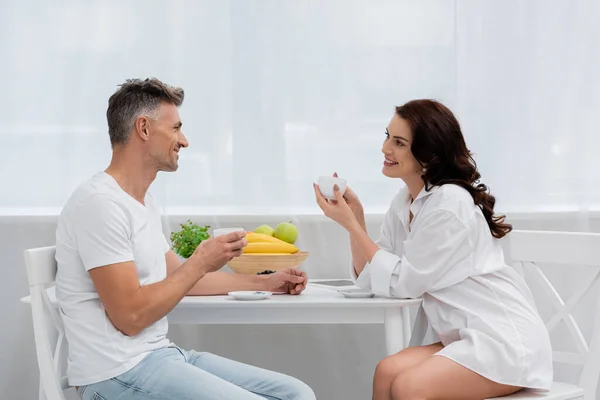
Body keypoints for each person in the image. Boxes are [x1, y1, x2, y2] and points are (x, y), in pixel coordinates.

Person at [55, 78, 316, 400]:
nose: (185, 141)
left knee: (296, 393)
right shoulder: (99, 205)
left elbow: (180, 279)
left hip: (159, 356)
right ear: (144, 129)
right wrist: (200, 261)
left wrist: (267, 283)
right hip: (115, 373)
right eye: (176, 128)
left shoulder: (141, 202)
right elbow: (130, 318)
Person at [313, 99, 552, 400]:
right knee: (387, 372)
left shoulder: (449, 204)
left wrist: (354, 227)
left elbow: (405, 284)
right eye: (387, 136)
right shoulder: (404, 202)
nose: (386, 149)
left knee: (408, 387)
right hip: (464, 336)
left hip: (503, 340)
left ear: (428, 154)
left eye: (399, 143)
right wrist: (355, 221)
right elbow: (371, 279)